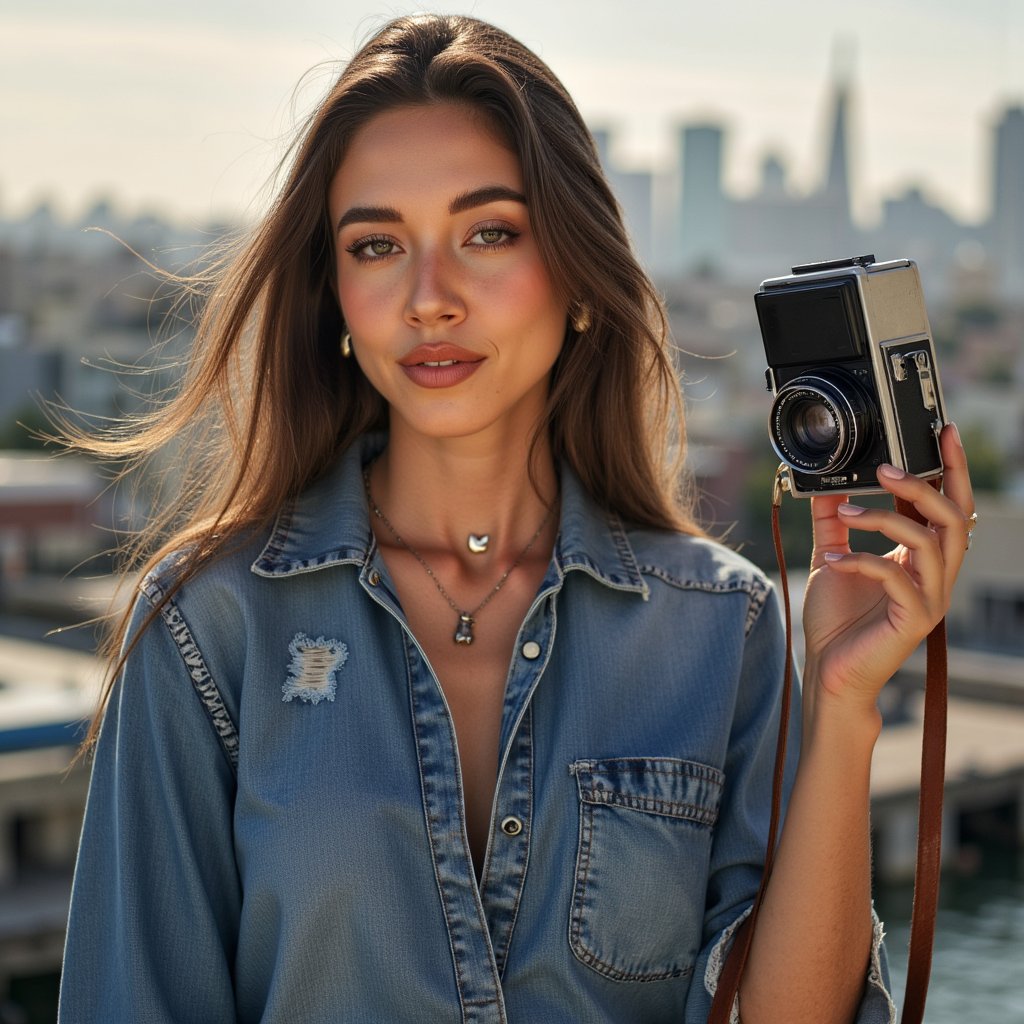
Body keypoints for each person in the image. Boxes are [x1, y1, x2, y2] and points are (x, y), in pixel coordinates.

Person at [58, 13, 974, 1024]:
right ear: (334, 300)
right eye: (376, 245)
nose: (429, 298)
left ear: (578, 274)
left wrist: (842, 707)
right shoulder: (206, 627)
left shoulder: (726, 625)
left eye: (487, 232)